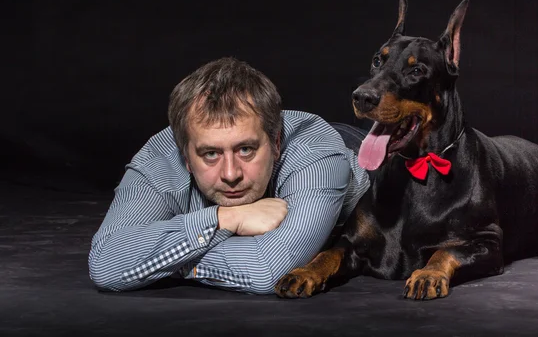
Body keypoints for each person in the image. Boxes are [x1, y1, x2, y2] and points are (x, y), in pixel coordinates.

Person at [88, 57, 371, 294]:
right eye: (210, 154)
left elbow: (268, 270)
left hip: (361, 153)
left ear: (275, 143)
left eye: (246, 149)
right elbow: (106, 262)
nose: (231, 174)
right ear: (186, 156)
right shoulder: (158, 161)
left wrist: (161, 261)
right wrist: (224, 219)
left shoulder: (316, 150)